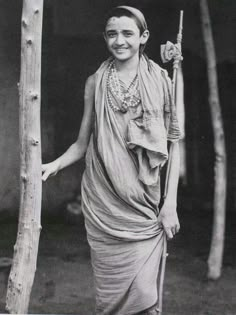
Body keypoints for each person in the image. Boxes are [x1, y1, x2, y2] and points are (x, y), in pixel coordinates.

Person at [42, 6, 181, 315]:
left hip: (144, 206)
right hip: (103, 203)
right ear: (105, 37)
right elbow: (81, 144)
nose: (120, 41)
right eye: (112, 34)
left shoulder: (161, 80)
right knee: (111, 298)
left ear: (143, 37)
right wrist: (54, 165)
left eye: (128, 34)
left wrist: (169, 204)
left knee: (146, 294)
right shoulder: (95, 82)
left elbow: (174, 146)